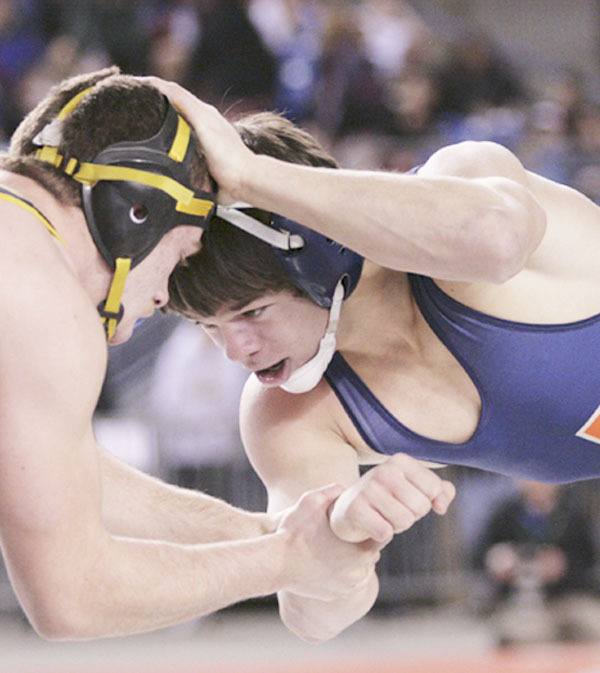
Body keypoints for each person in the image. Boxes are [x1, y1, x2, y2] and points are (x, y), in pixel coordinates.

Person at [148, 77, 600, 640]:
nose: (237, 351)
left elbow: (497, 239)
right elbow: (313, 617)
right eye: (208, 326)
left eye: (253, 312)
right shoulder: (292, 412)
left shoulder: (462, 181)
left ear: (319, 255)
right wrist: (343, 535)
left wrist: (251, 178)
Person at [0, 67, 390, 640]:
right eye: (182, 254)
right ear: (136, 211)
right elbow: (73, 598)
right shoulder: (43, 297)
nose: (163, 295)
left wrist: (264, 535)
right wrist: (288, 560)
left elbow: (56, 472)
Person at [472, 480, 600, 646]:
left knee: (591, 625)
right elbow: (478, 556)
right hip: (521, 603)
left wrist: (564, 565)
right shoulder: (505, 514)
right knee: (510, 635)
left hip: (567, 599)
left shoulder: (573, 514)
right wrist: (496, 558)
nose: (538, 485)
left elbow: (589, 560)